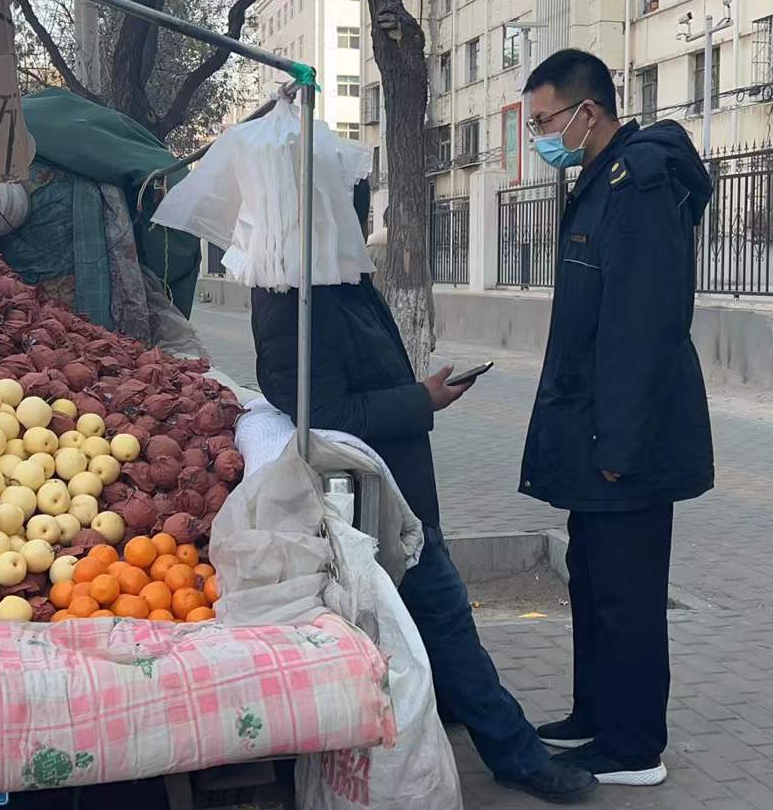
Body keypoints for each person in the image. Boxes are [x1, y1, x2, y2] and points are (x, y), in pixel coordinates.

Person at [250, 180, 599, 804]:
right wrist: (421, 399)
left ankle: (463, 712)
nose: (361, 233)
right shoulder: (292, 297)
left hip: (397, 486)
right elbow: (320, 410)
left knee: (434, 618)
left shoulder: (341, 279)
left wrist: (418, 392)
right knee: (445, 614)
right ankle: (515, 753)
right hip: (367, 498)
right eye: (351, 219)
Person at [517, 49, 715, 788]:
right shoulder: (603, 180)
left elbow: (642, 326)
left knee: (628, 593)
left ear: (586, 113)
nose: (538, 136)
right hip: (595, 427)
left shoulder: (639, 184)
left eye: (543, 121)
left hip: (624, 438)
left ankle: (634, 746)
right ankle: (596, 713)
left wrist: (618, 444)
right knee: (594, 580)